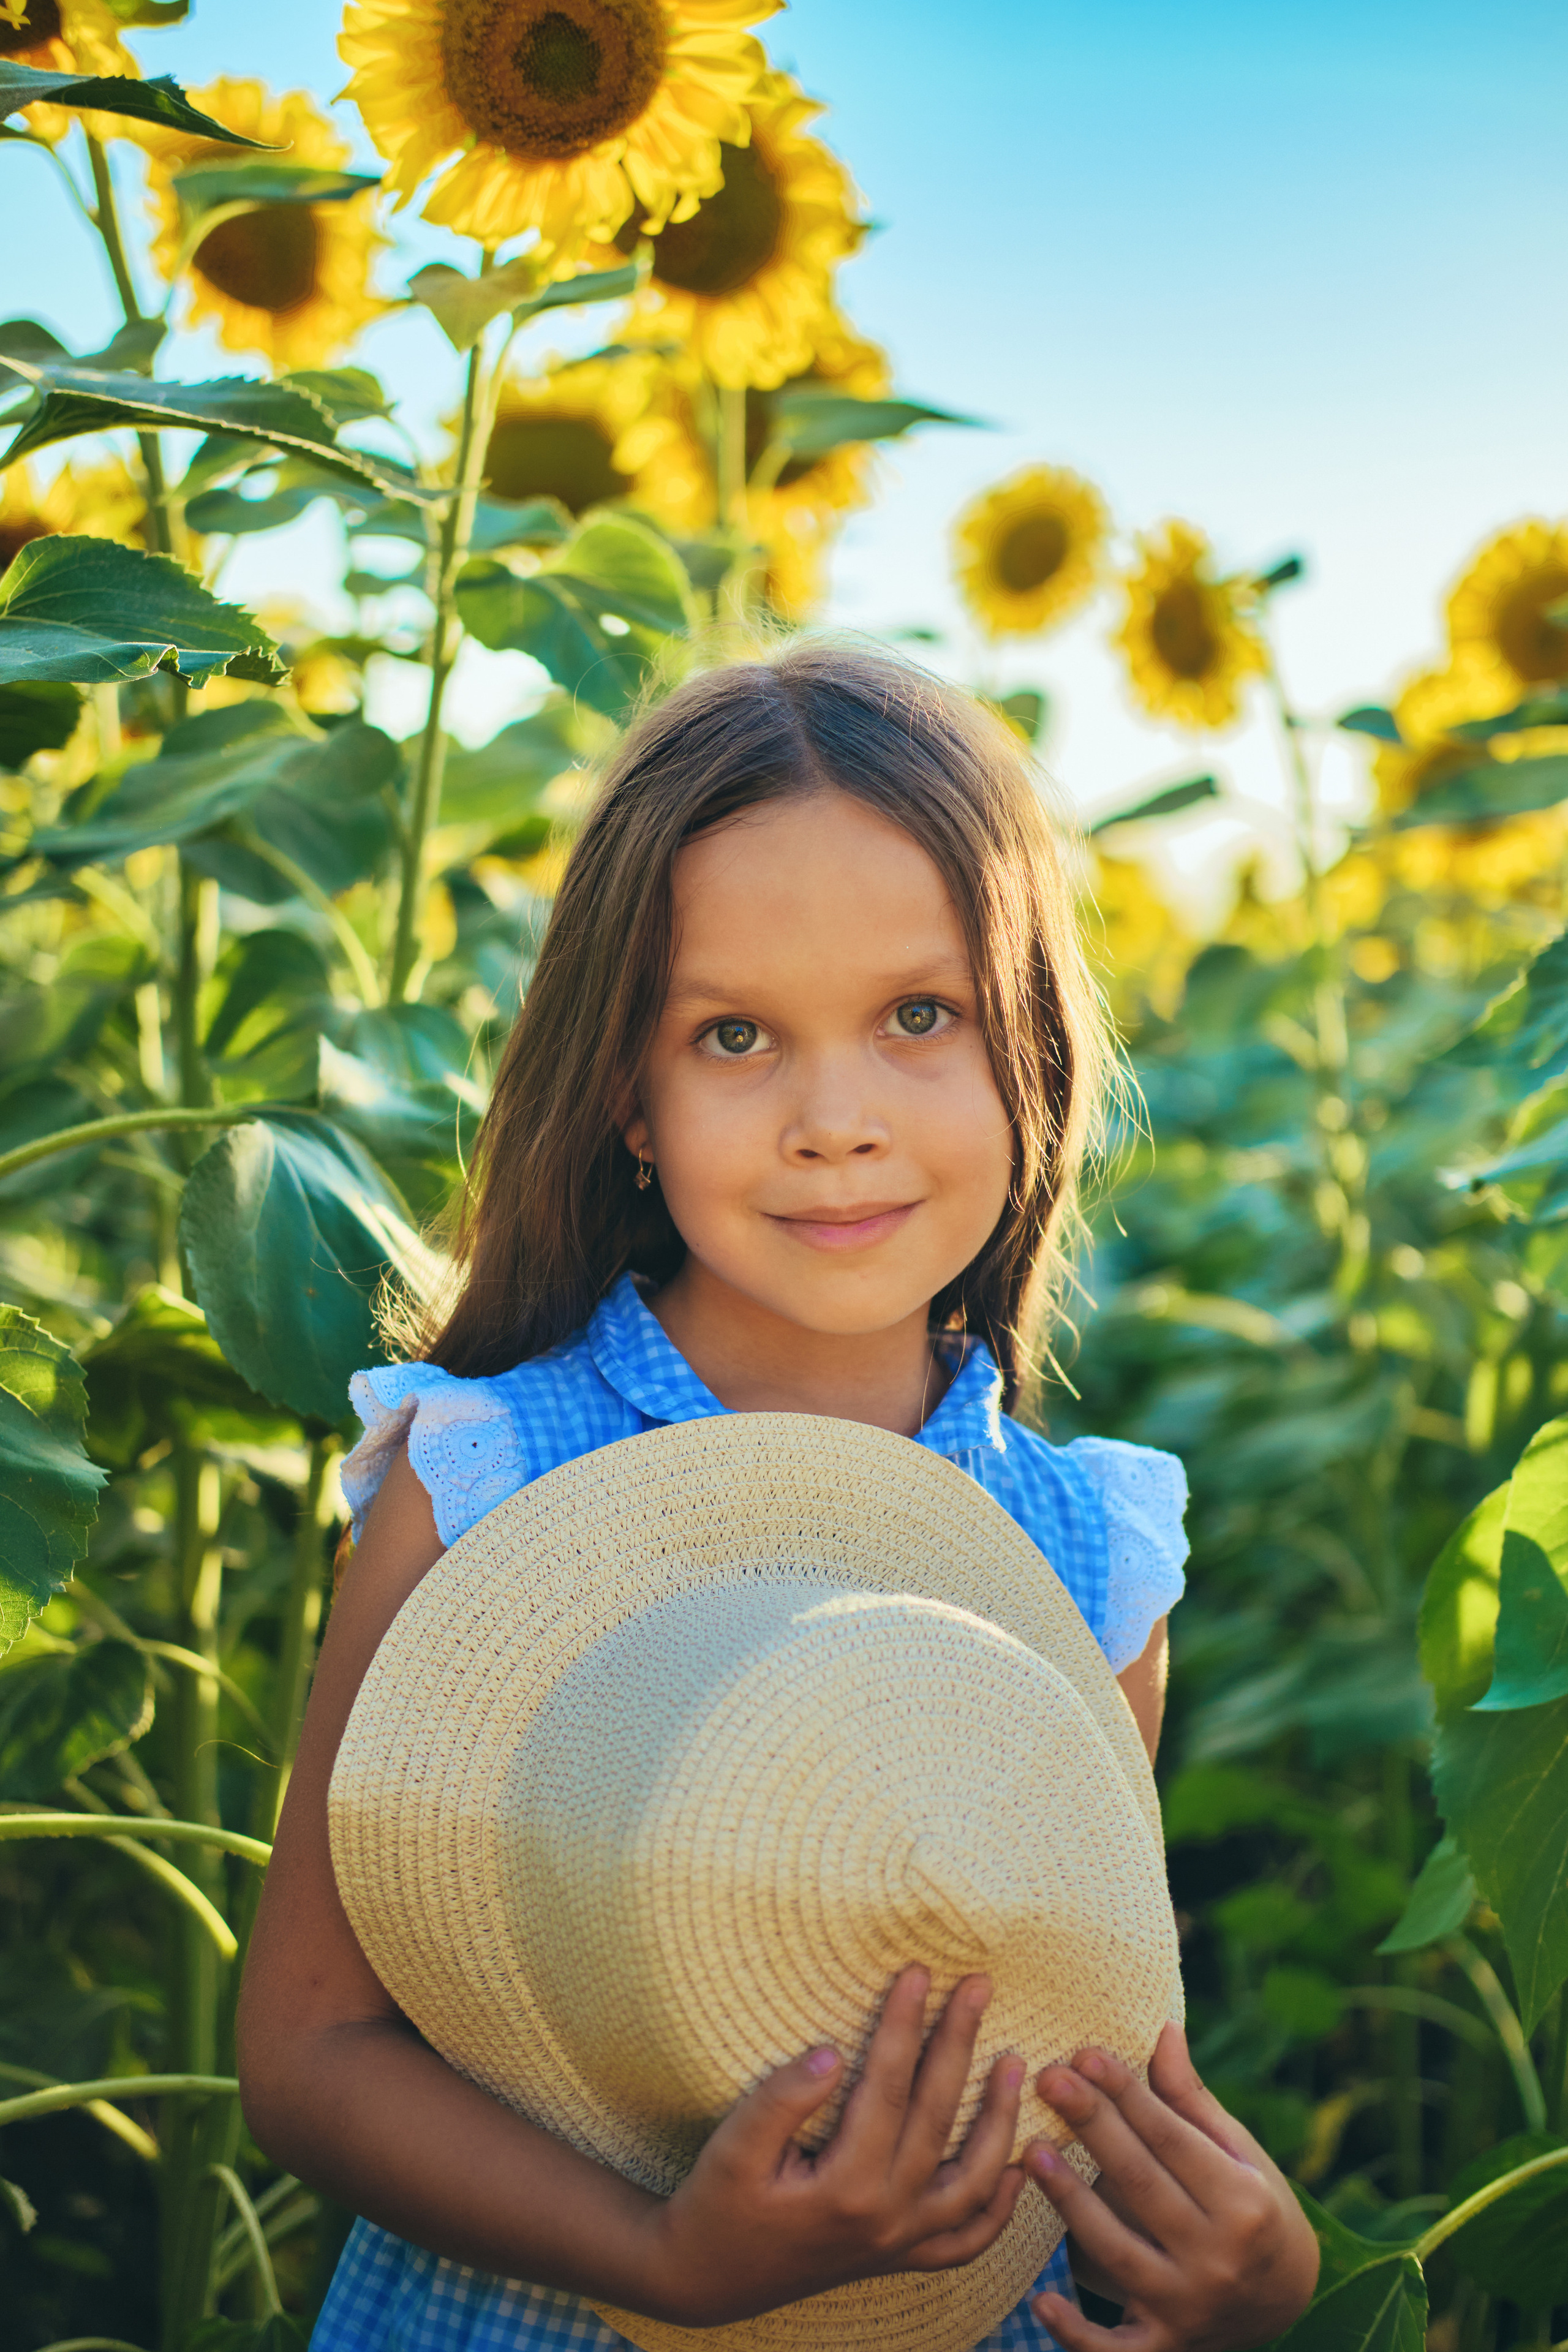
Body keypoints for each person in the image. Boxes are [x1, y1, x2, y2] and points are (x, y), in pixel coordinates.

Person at [239, 642, 1320, 2351]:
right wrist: (662, 2259)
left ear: (1030, 1052)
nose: (837, 1122)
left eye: (918, 1018)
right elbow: (308, 2056)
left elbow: (1088, 2062)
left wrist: (1245, 2272)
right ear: (628, 1097)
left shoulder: (1089, 1562)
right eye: (736, 1034)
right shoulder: (481, 1481)